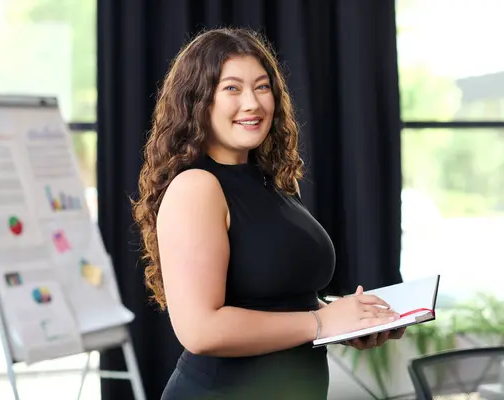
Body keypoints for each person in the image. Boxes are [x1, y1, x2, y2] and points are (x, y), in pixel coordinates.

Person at [133, 27, 405, 400]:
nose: (253, 103)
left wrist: (346, 320)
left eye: (262, 87)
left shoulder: (272, 182)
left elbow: (280, 298)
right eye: (232, 88)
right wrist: (320, 322)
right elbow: (200, 329)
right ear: (199, 100)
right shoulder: (197, 187)